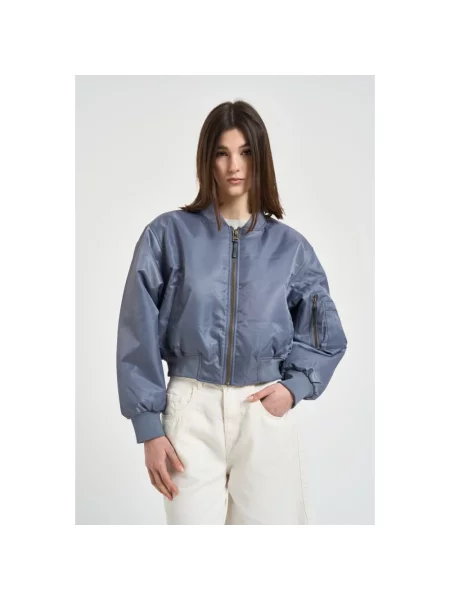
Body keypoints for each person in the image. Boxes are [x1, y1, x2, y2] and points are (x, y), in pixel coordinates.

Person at [116, 100, 348, 525]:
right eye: (222, 153)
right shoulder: (168, 235)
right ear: (207, 159)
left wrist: (293, 388)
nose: (234, 165)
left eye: (246, 152)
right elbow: (137, 326)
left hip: (262, 412)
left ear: (261, 159)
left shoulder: (290, 248)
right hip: (189, 411)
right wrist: (148, 426)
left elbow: (324, 335)